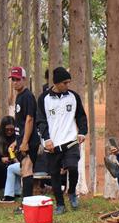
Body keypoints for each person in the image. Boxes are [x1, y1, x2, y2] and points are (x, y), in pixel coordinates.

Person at [36, 66, 87, 214]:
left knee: (72, 166)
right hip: (52, 144)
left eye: (68, 83)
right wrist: (47, 139)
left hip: (70, 141)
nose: (67, 86)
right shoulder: (44, 99)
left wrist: (82, 132)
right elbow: (41, 121)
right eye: (65, 83)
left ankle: (71, 192)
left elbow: (81, 116)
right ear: (56, 83)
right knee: (54, 174)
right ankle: (60, 204)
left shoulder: (73, 97)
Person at [10, 67, 40, 208]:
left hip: (29, 141)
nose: (15, 82)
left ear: (24, 79)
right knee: (24, 169)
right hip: (21, 139)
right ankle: (25, 203)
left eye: (17, 79)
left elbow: (29, 120)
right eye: (13, 79)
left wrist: (25, 142)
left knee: (27, 168)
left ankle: (26, 205)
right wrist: (16, 141)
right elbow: (20, 123)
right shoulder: (19, 96)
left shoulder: (28, 96)